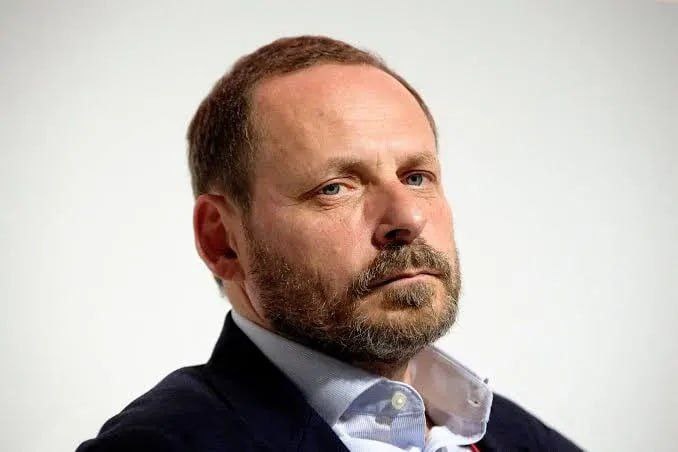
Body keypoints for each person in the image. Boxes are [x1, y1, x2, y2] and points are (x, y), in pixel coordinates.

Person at [77, 35, 581, 451]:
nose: (407, 217)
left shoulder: (527, 440)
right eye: (335, 188)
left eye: (416, 177)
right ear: (223, 241)